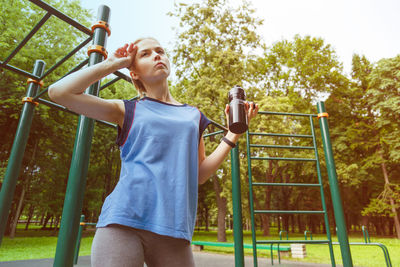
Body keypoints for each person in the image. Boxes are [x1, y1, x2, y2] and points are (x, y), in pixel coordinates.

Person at [48, 37, 258, 267]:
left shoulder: (193, 116)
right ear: (134, 73)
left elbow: (199, 175)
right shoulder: (126, 109)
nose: (157, 55)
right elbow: (59, 92)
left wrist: (232, 134)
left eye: (160, 51)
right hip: (123, 222)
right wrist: (113, 64)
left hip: (174, 229)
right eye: (145, 54)